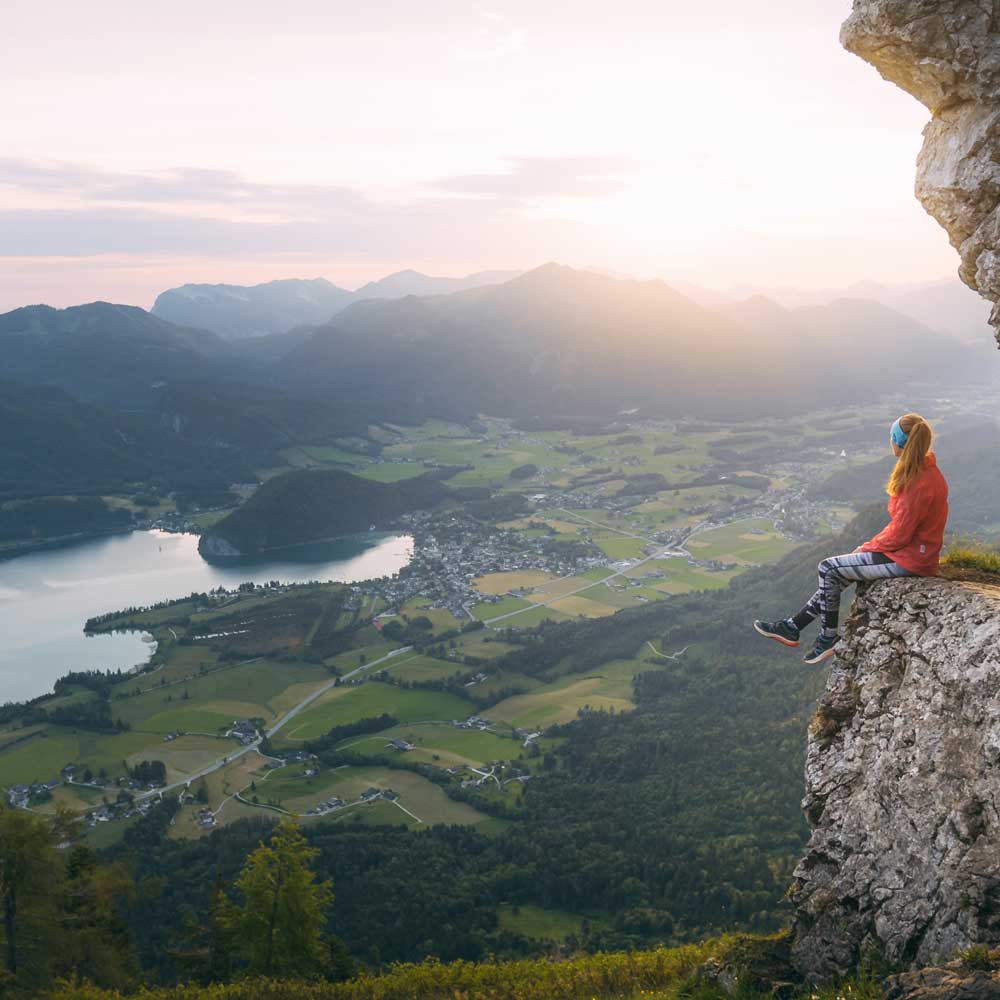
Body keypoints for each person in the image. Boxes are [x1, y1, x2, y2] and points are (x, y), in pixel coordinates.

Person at [753, 412, 949, 665]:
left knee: (828, 568)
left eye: (891, 438)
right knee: (839, 572)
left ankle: (827, 638)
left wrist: (868, 547)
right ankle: (793, 626)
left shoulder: (918, 483)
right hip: (912, 554)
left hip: (910, 560)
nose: (890, 442)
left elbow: (900, 534)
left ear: (899, 442)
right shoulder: (925, 471)